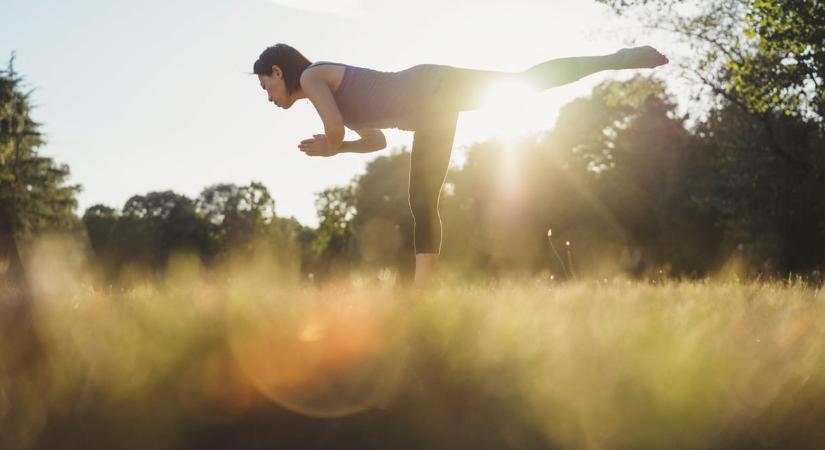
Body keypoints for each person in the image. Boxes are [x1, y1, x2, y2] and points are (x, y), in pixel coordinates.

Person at [253, 43, 668, 285]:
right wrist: (336, 148)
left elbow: (337, 130)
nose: (267, 96)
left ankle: (616, 58)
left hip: (432, 85)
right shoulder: (319, 92)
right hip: (432, 111)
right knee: (421, 199)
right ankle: (424, 292)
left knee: (523, 82)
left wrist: (331, 145)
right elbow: (374, 140)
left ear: (277, 71)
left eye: (265, 85)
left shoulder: (310, 77)